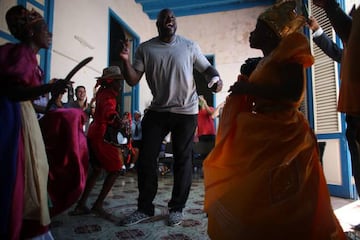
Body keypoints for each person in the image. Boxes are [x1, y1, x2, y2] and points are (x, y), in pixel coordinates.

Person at [203, 1, 347, 239]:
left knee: (288, 196)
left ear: (270, 33)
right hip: (262, 131)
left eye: (257, 29)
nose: (251, 33)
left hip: (285, 134)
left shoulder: (289, 54)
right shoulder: (262, 63)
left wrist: (250, 88)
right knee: (259, 191)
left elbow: (293, 94)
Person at [118, 8, 223, 226]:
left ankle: (177, 208)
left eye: (173, 18)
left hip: (186, 111)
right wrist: (125, 61)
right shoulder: (146, 49)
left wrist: (216, 81)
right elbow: (133, 79)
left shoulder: (189, 46)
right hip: (158, 110)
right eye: (165, 18)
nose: (169, 20)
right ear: (158, 24)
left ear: (176, 24)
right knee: (146, 158)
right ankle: (144, 208)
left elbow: (208, 69)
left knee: (183, 159)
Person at [0, 5, 70, 239]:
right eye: (45, 29)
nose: (50, 34)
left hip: (23, 114)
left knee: (34, 169)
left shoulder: (29, 57)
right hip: (12, 118)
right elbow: (14, 92)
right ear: (31, 32)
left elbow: (26, 96)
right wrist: (49, 87)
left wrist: (51, 100)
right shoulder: (21, 53)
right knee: (20, 172)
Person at [311, 0, 360, 201]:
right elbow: (337, 51)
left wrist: (330, 6)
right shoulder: (351, 48)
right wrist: (317, 31)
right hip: (354, 111)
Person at [69, 66, 125, 221]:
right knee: (115, 169)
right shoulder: (108, 95)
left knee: (97, 170)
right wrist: (119, 122)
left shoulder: (101, 92)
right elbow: (109, 114)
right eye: (118, 82)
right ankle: (98, 205)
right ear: (111, 81)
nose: (120, 85)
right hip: (102, 135)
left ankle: (81, 204)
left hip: (94, 132)